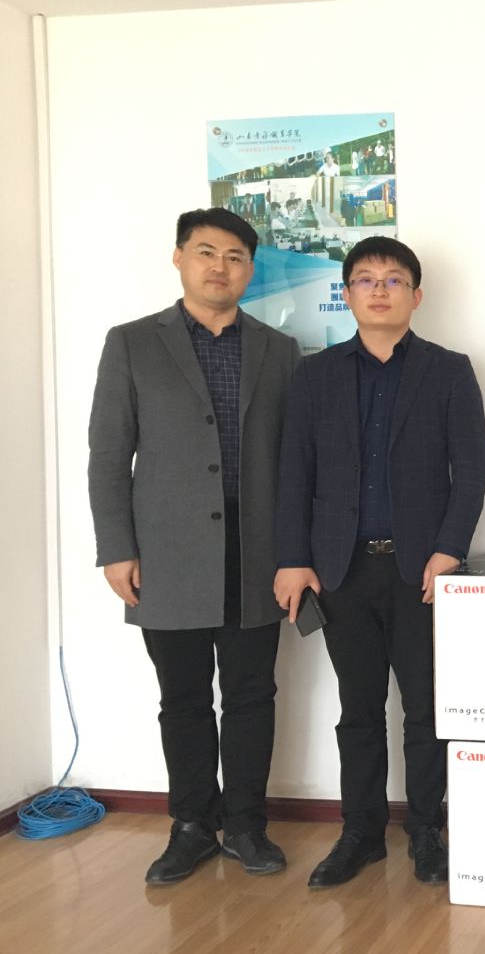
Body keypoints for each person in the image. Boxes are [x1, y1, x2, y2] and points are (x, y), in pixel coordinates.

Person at [88, 208, 302, 884]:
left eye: (235, 256)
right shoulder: (131, 343)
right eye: (206, 252)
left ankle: (246, 826)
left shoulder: (278, 349)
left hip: (256, 552)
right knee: (181, 697)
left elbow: (297, 461)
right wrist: (116, 547)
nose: (220, 266)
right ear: (179, 257)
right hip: (167, 553)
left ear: (250, 269)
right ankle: (190, 827)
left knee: (251, 695)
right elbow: (108, 453)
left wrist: (295, 552)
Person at [273, 235, 485, 889]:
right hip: (340, 572)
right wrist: (293, 558)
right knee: (359, 709)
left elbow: (472, 469)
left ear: (415, 296)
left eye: (393, 279)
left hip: (422, 572)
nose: (379, 289)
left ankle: (426, 830)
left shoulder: (449, 370)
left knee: (426, 708)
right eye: (365, 279)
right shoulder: (314, 376)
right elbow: (294, 473)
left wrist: (450, 550)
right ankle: (361, 834)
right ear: (346, 295)